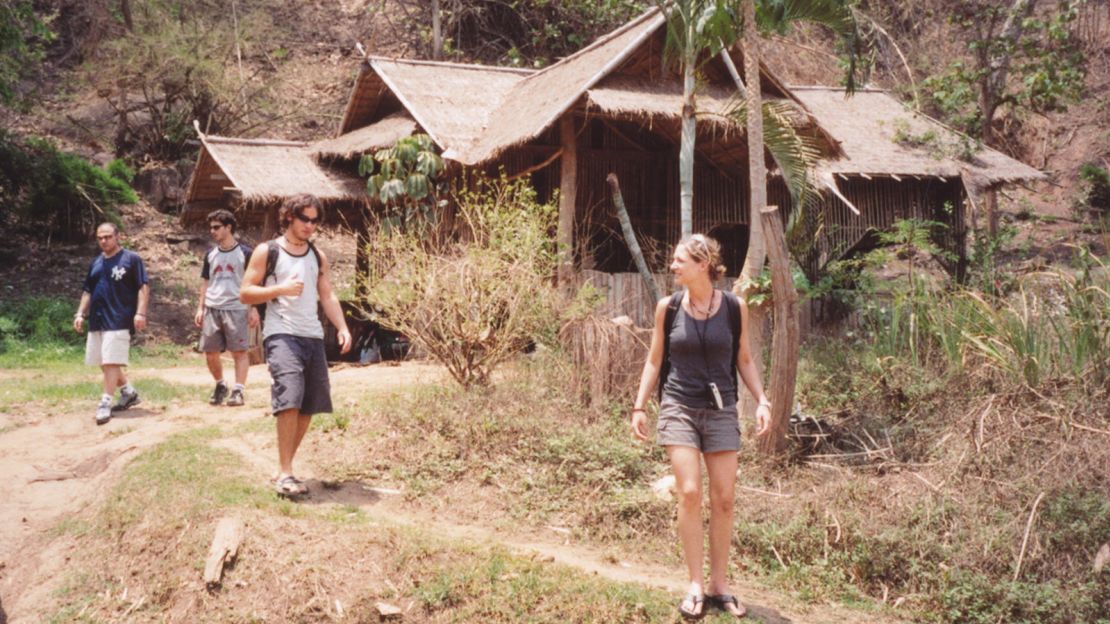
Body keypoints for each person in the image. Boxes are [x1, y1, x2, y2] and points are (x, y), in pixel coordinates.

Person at [630, 233, 771, 620]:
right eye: (674, 261)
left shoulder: (733, 307)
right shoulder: (668, 307)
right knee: (690, 492)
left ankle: (718, 586)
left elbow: (743, 358)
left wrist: (761, 400)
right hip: (679, 407)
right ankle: (694, 584)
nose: (672, 266)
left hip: (722, 410)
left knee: (724, 498)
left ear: (703, 264)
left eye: (679, 261)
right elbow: (655, 360)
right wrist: (639, 406)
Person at [239, 194, 351, 497]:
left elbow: (326, 295)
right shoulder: (268, 251)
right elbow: (246, 293)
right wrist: (279, 289)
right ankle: (286, 473)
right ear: (289, 216)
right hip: (281, 333)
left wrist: (342, 327)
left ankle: (283, 467)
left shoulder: (317, 255)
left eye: (315, 220)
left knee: (309, 403)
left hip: (312, 335)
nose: (310, 226)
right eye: (305, 219)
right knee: (289, 396)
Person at [73, 222, 150, 425]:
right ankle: (128, 392)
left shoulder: (131, 259)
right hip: (98, 318)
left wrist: (140, 312)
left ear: (118, 236)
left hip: (119, 317)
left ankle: (105, 402)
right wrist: (80, 313)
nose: (104, 241)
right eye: (100, 238)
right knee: (102, 360)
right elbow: (87, 290)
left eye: (107, 236)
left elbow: (143, 286)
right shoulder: (96, 263)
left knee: (111, 361)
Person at [195, 209, 260, 406]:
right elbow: (206, 282)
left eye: (217, 227)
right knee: (211, 352)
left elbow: (254, 281)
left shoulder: (246, 253)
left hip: (237, 307)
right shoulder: (210, 254)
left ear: (228, 227)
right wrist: (200, 308)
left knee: (239, 351)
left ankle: (238, 390)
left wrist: (254, 308)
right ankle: (220, 384)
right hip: (213, 307)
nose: (212, 231)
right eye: (211, 228)